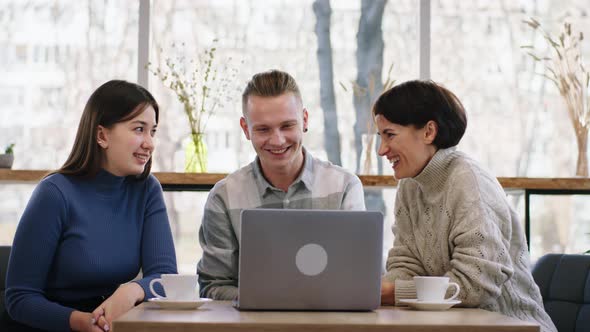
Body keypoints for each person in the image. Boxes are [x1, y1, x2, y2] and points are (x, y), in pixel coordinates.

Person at [375, 80, 556, 332]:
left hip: (513, 325)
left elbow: (476, 286)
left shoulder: (469, 181)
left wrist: (394, 292)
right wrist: (377, 290)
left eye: (390, 135)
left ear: (429, 132)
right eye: (380, 136)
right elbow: (406, 264)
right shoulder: (410, 185)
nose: (382, 150)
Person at [3, 80, 177, 332]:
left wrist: (132, 290)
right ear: (102, 136)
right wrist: (81, 322)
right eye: (139, 129)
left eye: (153, 131)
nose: (149, 143)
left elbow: (166, 277)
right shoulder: (54, 194)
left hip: (110, 325)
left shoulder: (147, 190)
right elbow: (19, 299)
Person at [197, 69, 366, 300]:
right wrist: (275, 302)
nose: (277, 140)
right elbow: (213, 286)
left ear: (304, 120)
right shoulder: (224, 197)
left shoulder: (344, 187)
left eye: (287, 126)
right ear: (246, 129)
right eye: (263, 129)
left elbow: (360, 278)